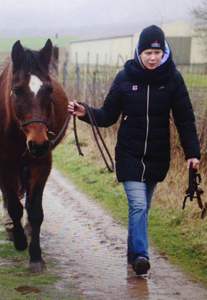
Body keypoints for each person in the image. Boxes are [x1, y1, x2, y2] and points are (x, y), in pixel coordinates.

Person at [68, 25, 200, 276]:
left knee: (143, 207)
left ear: (164, 52)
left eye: (157, 52)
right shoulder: (124, 78)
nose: (152, 57)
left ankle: (133, 255)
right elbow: (107, 115)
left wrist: (192, 153)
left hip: (157, 155)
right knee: (138, 205)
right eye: (148, 52)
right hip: (129, 153)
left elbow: (185, 118)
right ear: (139, 51)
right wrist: (85, 112)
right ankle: (141, 255)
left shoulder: (173, 79)